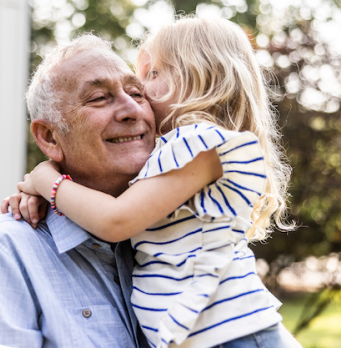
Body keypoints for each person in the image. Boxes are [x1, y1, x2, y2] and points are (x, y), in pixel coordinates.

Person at [15, 17, 298, 348]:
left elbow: (115, 219)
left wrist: (48, 179)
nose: (142, 94)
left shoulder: (200, 145)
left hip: (230, 336)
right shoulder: (175, 150)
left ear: (199, 79)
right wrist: (46, 193)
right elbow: (102, 181)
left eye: (152, 75)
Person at [0, 34, 155, 348]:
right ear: (49, 138)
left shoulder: (179, 230)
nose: (131, 110)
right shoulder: (1, 251)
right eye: (99, 97)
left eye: (137, 93)